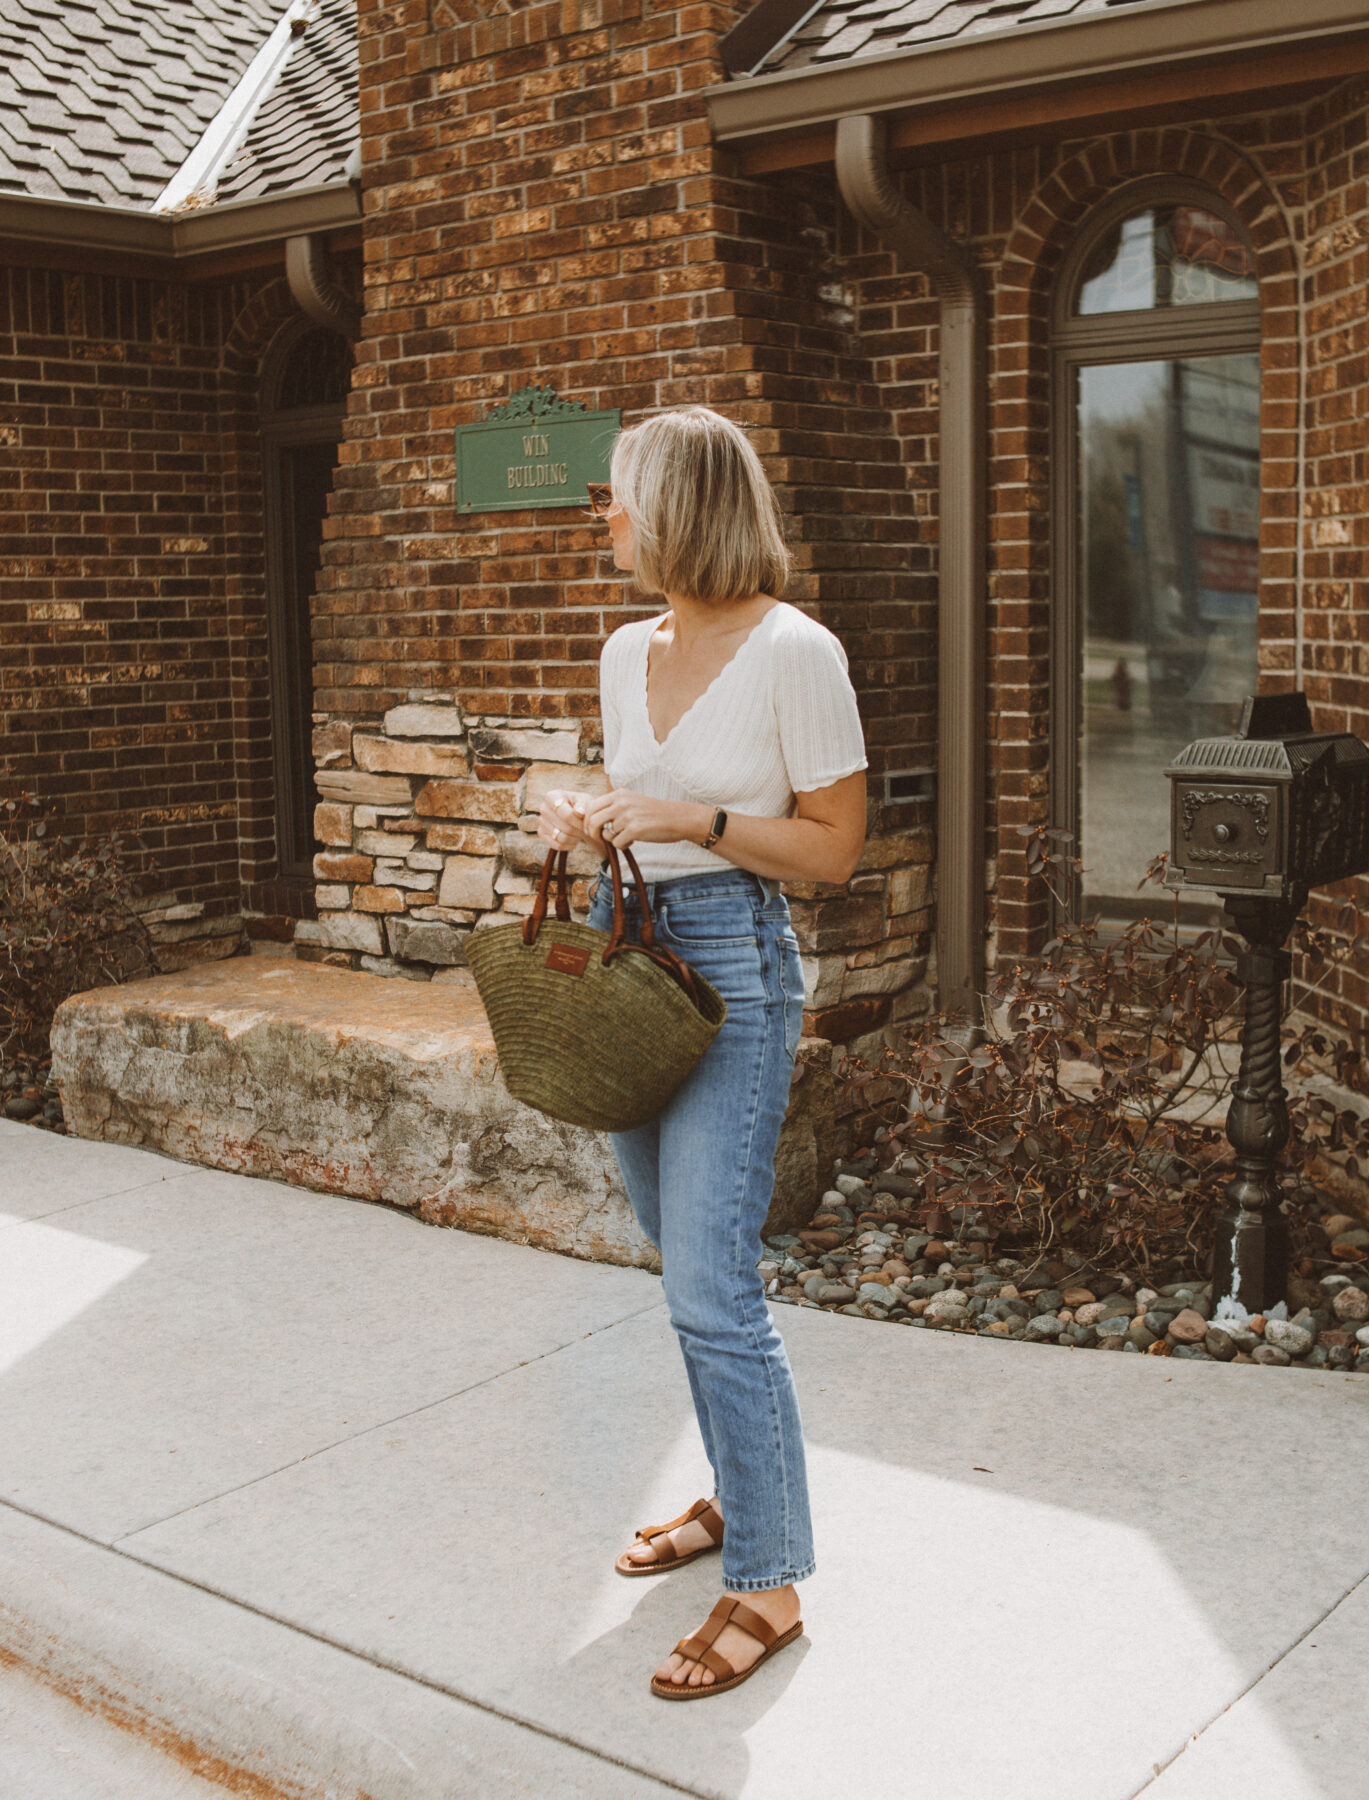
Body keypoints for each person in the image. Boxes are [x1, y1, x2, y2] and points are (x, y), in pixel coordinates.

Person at [537, 406, 867, 1699]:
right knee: (685, 1265)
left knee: (713, 1290)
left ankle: (769, 1580)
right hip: (629, 951)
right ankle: (745, 1488)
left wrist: (701, 818)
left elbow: (832, 855)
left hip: (736, 966)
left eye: (619, 497)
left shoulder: (796, 651)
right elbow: (640, 810)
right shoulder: (629, 648)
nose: (604, 518)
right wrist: (591, 824)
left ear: (677, 507)